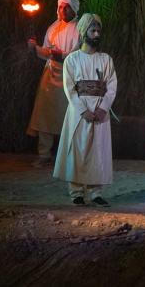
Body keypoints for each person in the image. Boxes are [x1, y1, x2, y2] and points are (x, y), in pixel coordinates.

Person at [53, 13, 117, 206]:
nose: (96, 34)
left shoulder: (106, 59)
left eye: (98, 31)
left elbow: (111, 86)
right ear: (83, 32)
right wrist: (83, 110)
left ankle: (96, 193)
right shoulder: (72, 60)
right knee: (78, 150)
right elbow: (69, 88)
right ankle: (76, 193)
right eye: (92, 30)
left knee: (98, 151)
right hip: (79, 112)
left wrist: (103, 108)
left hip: (100, 112)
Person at [27, 0, 80, 167]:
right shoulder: (53, 28)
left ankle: (67, 155)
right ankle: (44, 154)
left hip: (69, 77)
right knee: (45, 115)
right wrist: (35, 48)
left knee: (68, 117)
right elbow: (46, 52)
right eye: (61, 7)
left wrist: (60, 55)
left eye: (67, 7)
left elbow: (77, 55)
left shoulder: (79, 28)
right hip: (50, 76)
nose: (63, 10)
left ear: (74, 9)